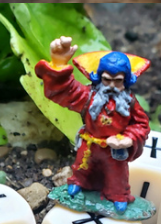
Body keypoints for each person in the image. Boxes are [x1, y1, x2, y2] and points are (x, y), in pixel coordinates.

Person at [37, 36, 150, 212]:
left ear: (126, 80)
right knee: (82, 168)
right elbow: (65, 91)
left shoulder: (130, 103)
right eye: (107, 79)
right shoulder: (89, 96)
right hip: (89, 144)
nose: (111, 85)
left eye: (118, 81)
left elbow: (141, 124)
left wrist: (128, 138)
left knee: (117, 176)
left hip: (114, 151)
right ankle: (78, 183)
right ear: (99, 77)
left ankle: (118, 196)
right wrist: (59, 63)